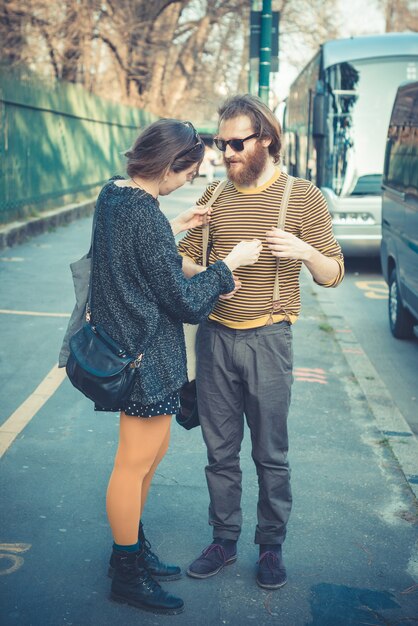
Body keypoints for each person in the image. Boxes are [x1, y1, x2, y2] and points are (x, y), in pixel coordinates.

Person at [89, 118, 262, 614]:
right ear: (169, 165)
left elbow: (139, 253)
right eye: (190, 171)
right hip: (145, 357)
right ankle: (126, 571)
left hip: (136, 350)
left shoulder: (115, 195)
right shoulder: (142, 212)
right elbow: (183, 301)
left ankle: (132, 549)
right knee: (132, 464)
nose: (192, 180)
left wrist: (176, 226)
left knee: (150, 456)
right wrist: (232, 265)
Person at [178, 95, 344, 590]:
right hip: (214, 339)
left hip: (270, 338)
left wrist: (304, 250)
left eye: (235, 143)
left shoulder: (302, 196)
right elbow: (182, 266)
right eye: (219, 143)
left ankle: (270, 547)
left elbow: (332, 273)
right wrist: (219, 271)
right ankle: (224, 540)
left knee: (271, 453)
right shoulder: (214, 196)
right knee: (219, 451)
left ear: (266, 139)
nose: (224, 153)